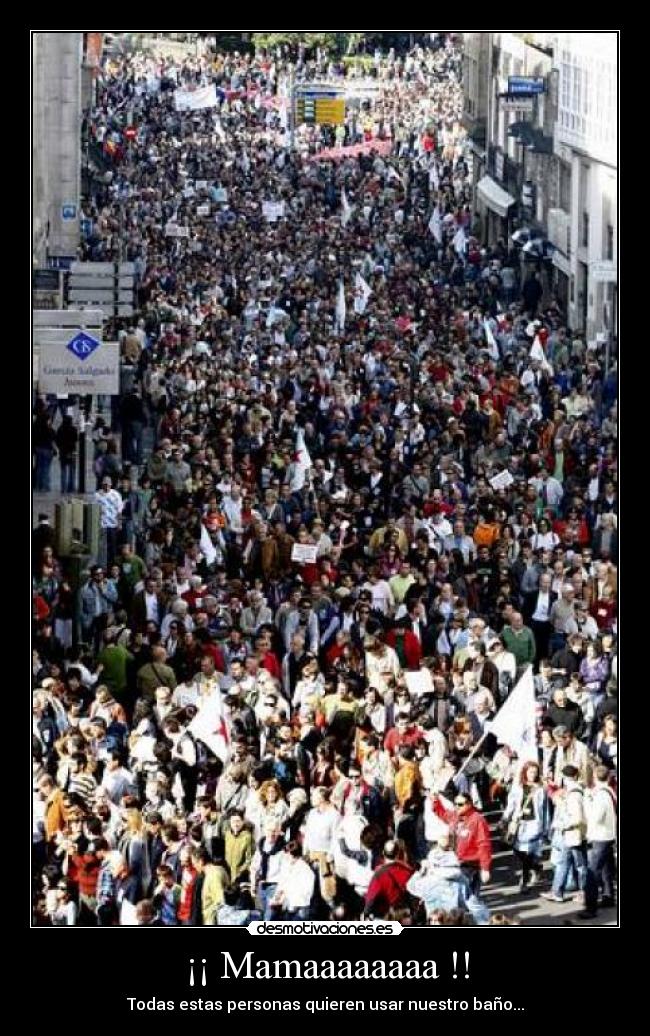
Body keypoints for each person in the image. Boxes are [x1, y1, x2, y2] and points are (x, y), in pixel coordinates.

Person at [500, 761, 548, 892]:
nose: (533, 774)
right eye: (530, 772)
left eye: (535, 772)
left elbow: (544, 810)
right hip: (519, 823)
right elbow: (511, 804)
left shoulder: (541, 789)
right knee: (517, 850)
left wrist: (545, 827)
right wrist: (505, 818)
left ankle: (524, 882)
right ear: (525, 772)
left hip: (534, 824)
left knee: (527, 853)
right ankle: (536, 867)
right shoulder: (517, 787)